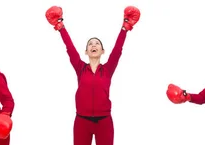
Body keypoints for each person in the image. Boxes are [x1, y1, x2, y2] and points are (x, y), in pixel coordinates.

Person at [45, 5, 140, 145]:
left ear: (102, 51)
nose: (93, 45)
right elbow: (70, 48)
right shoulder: (80, 68)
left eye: (97, 44)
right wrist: (61, 27)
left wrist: (124, 28)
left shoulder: (108, 69)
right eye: (90, 44)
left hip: (104, 121)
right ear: (86, 51)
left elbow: (117, 50)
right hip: (82, 121)